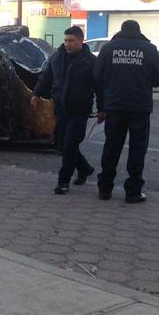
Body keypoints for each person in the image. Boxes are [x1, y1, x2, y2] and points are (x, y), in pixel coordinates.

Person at [93, 20, 159, 204]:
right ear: (139, 31)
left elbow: (97, 75)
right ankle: (133, 191)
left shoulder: (109, 48)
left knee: (111, 147)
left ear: (121, 30)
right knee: (137, 149)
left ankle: (105, 188)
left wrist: (110, 90)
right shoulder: (149, 49)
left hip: (114, 106)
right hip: (139, 108)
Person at [31, 26, 104, 195]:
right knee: (61, 144)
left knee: (70, 144)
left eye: (71, 41)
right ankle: (84, 168)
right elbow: (46, 77)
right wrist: (36, 94)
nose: (67, 44)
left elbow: (100, 88)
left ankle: (63, 182)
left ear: (81, 41)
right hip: (61, 108)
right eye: (65, 40)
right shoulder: (57, 57)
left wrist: (102, 109)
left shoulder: (90, 61)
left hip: (79, 109)